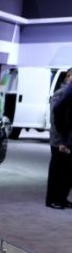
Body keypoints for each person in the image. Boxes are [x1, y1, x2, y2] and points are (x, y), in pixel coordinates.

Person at [46, 69, 72, 209]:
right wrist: (60, 141)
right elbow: (54, 119)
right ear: (67, 77)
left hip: (66, 139)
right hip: (58, 140)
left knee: (67, 172)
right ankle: (52, 200)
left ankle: (62, 198)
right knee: (57, 171)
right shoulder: (60, 94)